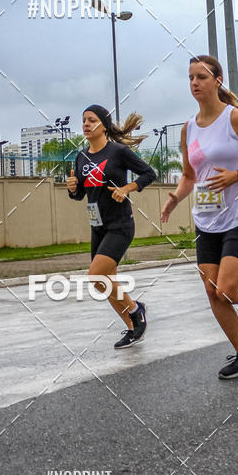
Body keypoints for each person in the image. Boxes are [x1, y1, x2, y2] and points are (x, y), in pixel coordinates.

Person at [160, 55, 238, 380]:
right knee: (211, 290)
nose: (194, 83)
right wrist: (175, 197)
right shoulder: (189, 128)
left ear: (217, 81)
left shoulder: (235, 118)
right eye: (190, 77)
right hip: (206, 219)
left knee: (227, 289)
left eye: (201, 77)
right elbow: (189, 175)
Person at [67, 105, 156, 349]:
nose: (86, 124)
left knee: (96, 276)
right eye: (83, 120)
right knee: (104, 281)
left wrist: (127, 188)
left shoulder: (118, 152)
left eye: (91, 120)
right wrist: (73, 188)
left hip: (120, 225)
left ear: (103, 125)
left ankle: (136, 311)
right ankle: (133, 328)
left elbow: (149, 174)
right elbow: (80, 195)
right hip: (97, 226)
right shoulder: (81, 157)